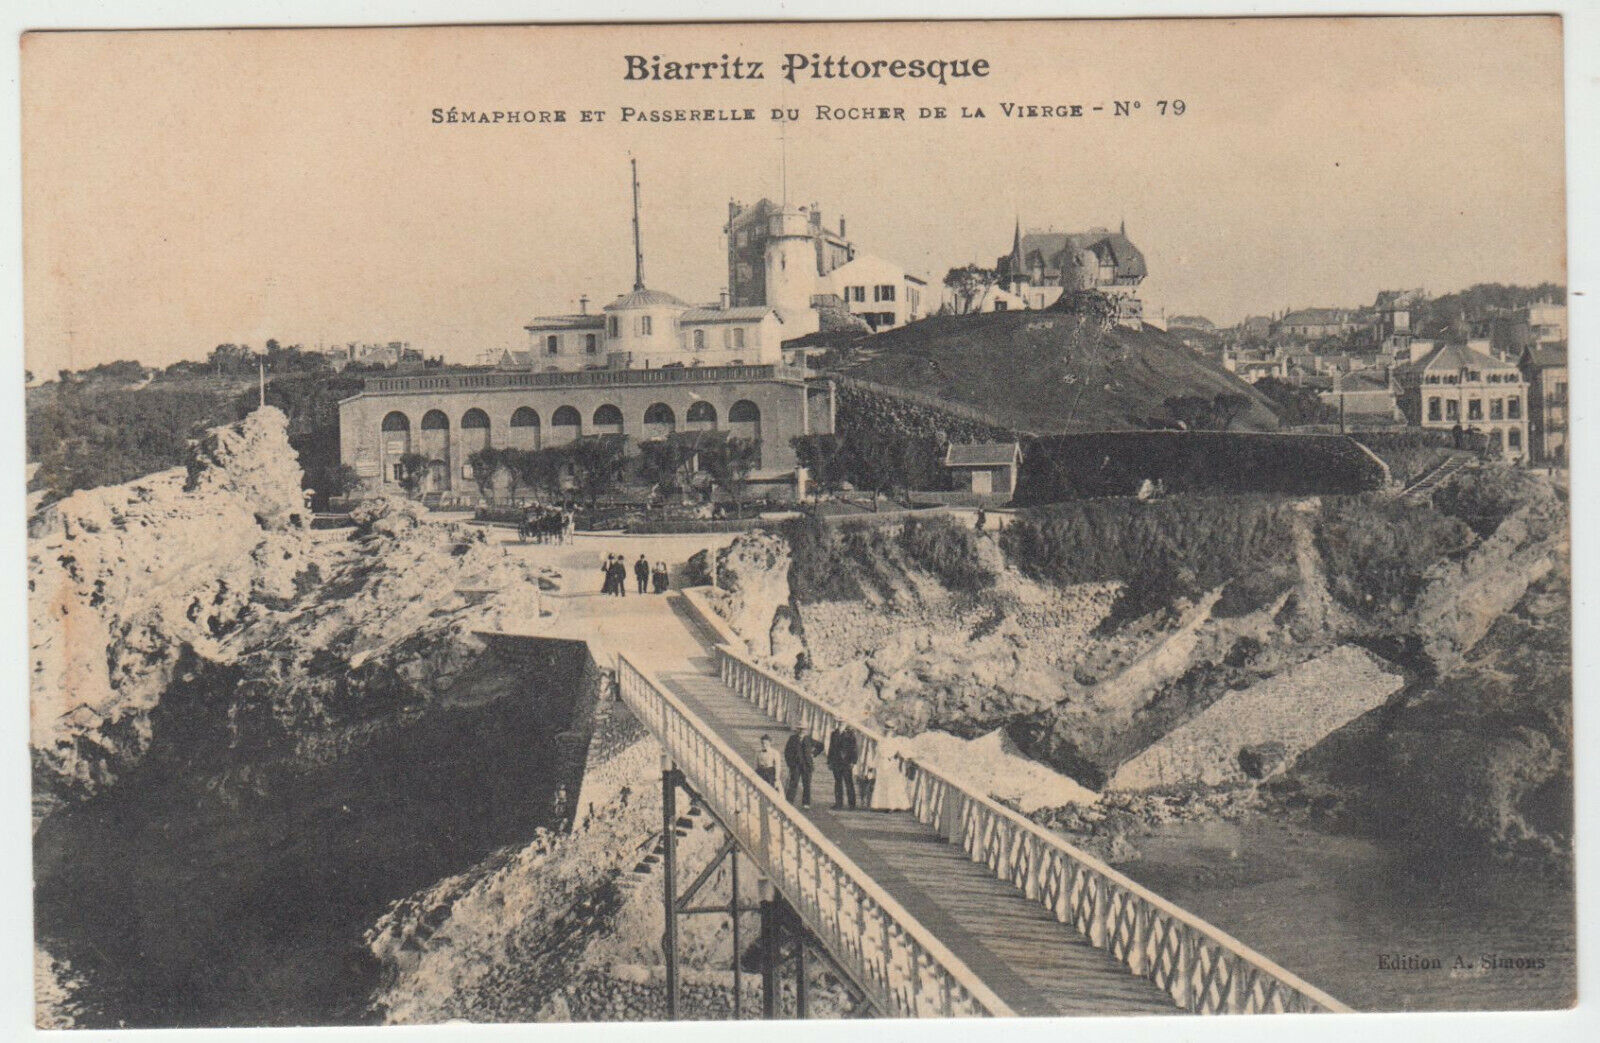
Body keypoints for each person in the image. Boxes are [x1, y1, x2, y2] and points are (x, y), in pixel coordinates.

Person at [868, 737, 911, 811]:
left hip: (890, 764)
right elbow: (878, 755)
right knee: (887, 784)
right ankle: (888, 805)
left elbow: (902, 753)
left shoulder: (890, 742)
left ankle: (891, 805)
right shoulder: (886, 742)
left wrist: (872, 766)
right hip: (886, 764)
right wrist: (872, 766)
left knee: (890, 785)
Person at [827, 724, 859, 810]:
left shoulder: (850, 733)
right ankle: (838, 804)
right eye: (839, 721)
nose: (840, 723)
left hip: (847, 762)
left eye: (842, 722)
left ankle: (852, 804)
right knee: (838, 783)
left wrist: (853, 761)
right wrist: (829, 761)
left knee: (849, 783)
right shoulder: (834, 733)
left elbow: (854, 748)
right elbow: (831, 747)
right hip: (836, 761)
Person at [783, 728, 817, 807]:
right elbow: (787, 751)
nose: (802, 732)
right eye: (801, 730)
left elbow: (820, 746)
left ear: (806, 731)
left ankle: (806, 803)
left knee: (807, 784)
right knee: (793, 783)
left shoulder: (809, 739)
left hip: (807, 766)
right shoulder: (793, 739)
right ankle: (789, 801)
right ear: (798, 730)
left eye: (804, 730)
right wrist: (790, 763)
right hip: (796, 766)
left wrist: (814, 754)